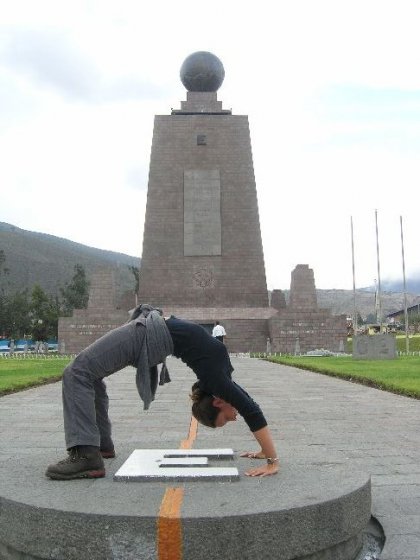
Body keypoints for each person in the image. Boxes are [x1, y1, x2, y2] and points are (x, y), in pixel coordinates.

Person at [45, 304, 279, 480]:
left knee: (77, 372)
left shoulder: (216, 381)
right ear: (218, 402)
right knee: (86, 374)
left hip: (145, 334)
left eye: (227, 419)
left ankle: (87, 455)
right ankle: (100, 446)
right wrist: (266, 454)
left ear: (217, 401)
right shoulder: (218, 382)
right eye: (228, 418)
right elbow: (251, 409)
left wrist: (272, 461)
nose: (234, 416)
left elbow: (251, 411)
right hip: (148, 332)